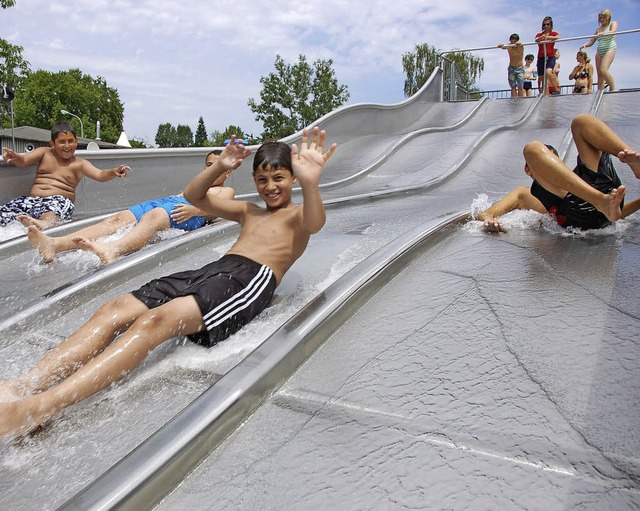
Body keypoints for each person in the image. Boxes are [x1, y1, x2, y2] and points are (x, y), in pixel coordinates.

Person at [0, 127, 337, 438]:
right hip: (213, 270)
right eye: (262, 179)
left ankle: (39, 409)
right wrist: (218, 164)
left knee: (154, 322)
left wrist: (310, 182)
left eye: (279, 177)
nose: (270, 186)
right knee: (115, 308)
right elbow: (193, 195)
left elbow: (315, 222)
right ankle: (23, 386)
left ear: (292, 179)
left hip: (249, 279)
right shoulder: (248, 211)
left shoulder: (297, 216)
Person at [26, 150, 234, 265]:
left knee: (155, 216)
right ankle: (56, 243)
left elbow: (222, 209)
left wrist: (197, 211)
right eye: (209, 166)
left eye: (220, 167)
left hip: (186, 211)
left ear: (228, 173)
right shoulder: (198, 184)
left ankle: (113, 249)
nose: (214, 171)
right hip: (167, 202)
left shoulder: (226, 191)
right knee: (116, 219)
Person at [475, 114, 640, 233]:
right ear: (529, 169)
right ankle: (599, 200)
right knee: (532, 148)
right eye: (543, 163)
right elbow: (486, 213)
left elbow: (614, 214)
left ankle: (630, 159)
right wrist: (488, 219)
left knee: (581, 121)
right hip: (574, 213)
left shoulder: (578, 180)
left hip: (602, 199)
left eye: (553, 162)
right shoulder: (523, 194)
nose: (549, 167)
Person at [1, 122, 130, 230]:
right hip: (32, 201)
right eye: (62, 142)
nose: (67, 146)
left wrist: (114, 172)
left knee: (51, 214)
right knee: (4, 212)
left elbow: (100, 175)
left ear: (76, 142)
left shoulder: (79, 164)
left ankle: (42, 224)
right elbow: (23, 161)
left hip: (59, 201)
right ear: (52, 143)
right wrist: (14, 157)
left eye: (70, 141)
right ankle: (19, 224)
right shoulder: (44, 153)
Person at [580, 8, 617, 92]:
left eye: (603, 17)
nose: (601, 19)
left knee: (603, 70)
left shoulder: (612, 23)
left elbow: (613, 31)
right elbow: (591, 41)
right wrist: (585, 45)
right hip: (599, 51)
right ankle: (600, 92)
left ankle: (613, 88)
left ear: (608, 17)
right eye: (600, 18)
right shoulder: (598, 29)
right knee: (599, 74)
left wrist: (603, 33)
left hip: (609, 49)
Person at [535, 16, 561, 95]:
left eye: (548, 24)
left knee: (548, 72)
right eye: (544, 24)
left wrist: (548, 37)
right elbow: (536, 39)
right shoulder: (539, 34)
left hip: (550, 56)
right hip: (541, 56)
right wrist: (541, 38)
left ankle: (557, 89)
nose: (546, 26)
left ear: (551, 25)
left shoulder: (553, 33)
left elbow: (557, 37)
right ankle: (545, 93)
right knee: (542, 77)